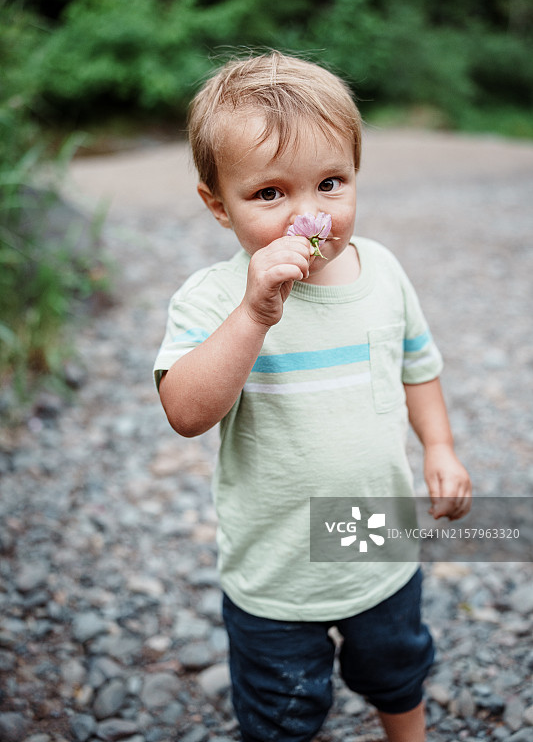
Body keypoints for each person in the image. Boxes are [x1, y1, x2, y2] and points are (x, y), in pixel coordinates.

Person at [154, 51, 472, 742]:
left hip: (379, 548)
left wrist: (439, 447)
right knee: (282, 707)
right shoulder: (212, 300)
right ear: (218, 205)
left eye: (330, 184)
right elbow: (185, 413)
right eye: (269, 194)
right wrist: (252, 315)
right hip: (276, 571)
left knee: (397, 668)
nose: (309, 217)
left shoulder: (381, 272)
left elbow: (417, 364)